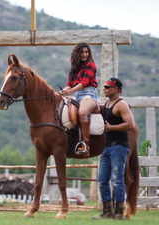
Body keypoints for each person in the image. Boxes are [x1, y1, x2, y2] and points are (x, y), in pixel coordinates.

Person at [93, 78, 136, 220]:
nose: (105, 89)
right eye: (104, 87)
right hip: (105, 148)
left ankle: (119, 212)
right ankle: (107, 212)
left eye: (108, 87)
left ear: (117, 89)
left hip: (119, 147)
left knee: (117, 180)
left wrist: (111, 128)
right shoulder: (106, 104)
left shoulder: (121, 105)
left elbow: (130, 124)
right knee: (103, 180)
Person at [59, 42, 99, 156]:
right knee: (63, 109)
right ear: (77, 53)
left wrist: (70, 91)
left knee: (82, 112)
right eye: (82, 52)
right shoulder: (74, 68)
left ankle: (85, 145)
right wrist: (63, 92)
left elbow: (84, 83)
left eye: (87, 52)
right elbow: (69, 84)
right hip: (76, 94)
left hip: (89, 94)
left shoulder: (91, 65)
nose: (85, 54)